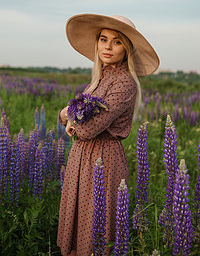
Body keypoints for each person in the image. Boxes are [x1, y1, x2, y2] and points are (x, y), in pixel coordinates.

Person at [57, 13, 160, 256]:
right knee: (75, 231)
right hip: (80, 159)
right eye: (104, 39)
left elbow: (88, 127)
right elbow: (72, 116)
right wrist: (68, 115)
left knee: (96, 234)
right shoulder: (98, 79)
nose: (108, 46)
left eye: (117, 41)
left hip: (103, 161)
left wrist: (68, 116)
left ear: (127, 47)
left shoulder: (124, 83)